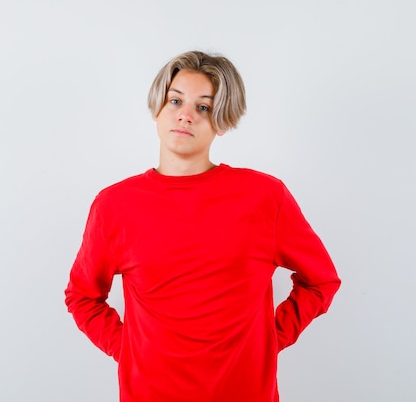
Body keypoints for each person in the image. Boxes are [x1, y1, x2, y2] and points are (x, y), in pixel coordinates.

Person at [64, 50, 341, 402]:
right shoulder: (114, 205)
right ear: (157, 109)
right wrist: (129, 349)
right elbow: (83, 296)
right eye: (175, 100)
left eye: (204, 107)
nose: (185, 115)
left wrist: (269, 340)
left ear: (222, 121)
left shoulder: (263, 197)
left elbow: (321, 280)